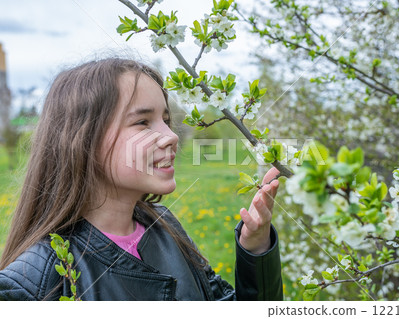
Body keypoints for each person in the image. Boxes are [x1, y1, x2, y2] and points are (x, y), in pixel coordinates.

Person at [0, 58, 283, 301]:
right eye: (142, 122)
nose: (172, 136)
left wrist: (255, 248)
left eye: (165, 119)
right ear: (83, 140)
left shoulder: (164, 227)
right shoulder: (33, 284)